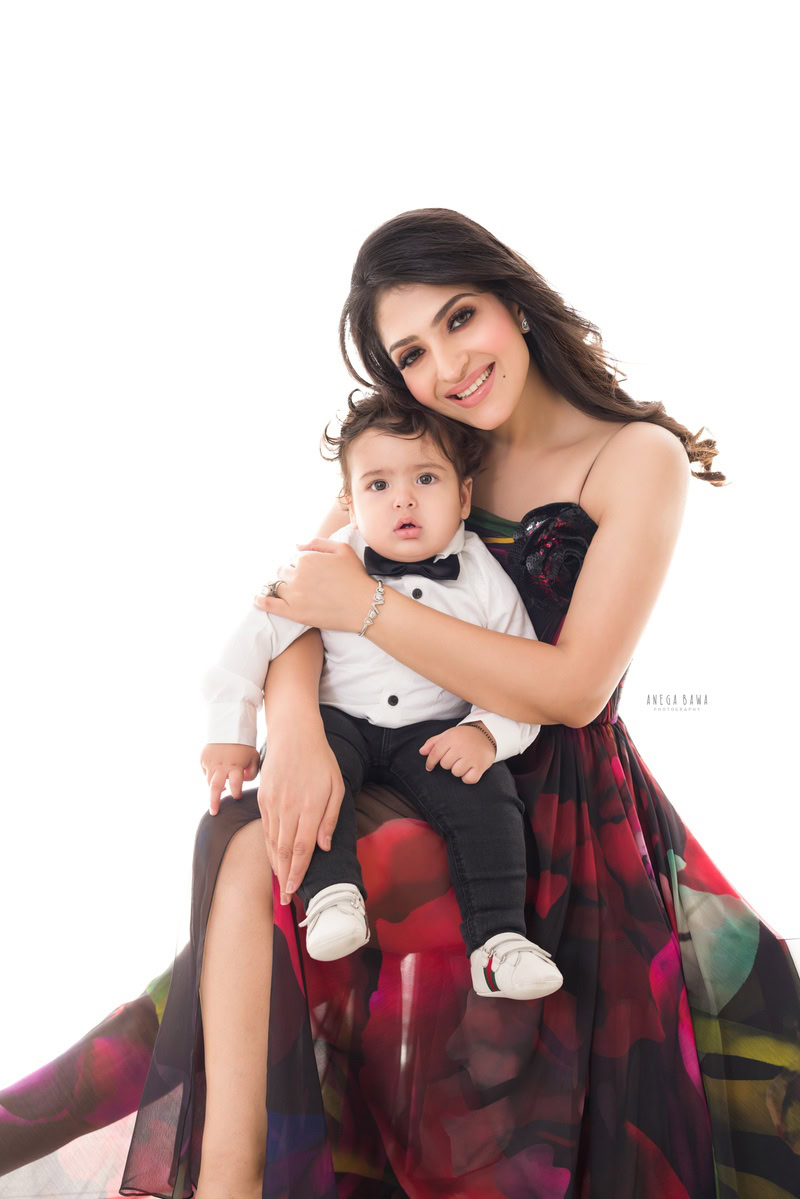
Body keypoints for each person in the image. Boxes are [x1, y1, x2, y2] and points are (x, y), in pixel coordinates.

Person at [1, 208, 798, 1199]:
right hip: (382, 751)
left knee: (266, 876)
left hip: (546, 799)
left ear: (513, 299)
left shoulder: (634, 457)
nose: (448, 366)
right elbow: (300, 595)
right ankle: (223, 1177)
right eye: (412, 352)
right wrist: (296, 731)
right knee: (248, 835)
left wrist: (369, 609)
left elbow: (573, 686)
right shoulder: (416, 441)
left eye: (460, 318)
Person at [200, 385, 563, 999]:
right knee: (319, 778)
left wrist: (486, 733)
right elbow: (255, 634)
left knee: (490, 798)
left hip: (436, 728)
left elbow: (520, 676)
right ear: (349, 502)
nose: (404, 499)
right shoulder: (328, 562)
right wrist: (229, 733)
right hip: (342, 718)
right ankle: (332, 898)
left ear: (464, 495)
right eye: (378, 484)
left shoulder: (482, 576)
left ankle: (500, 942)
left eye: (426, 478)